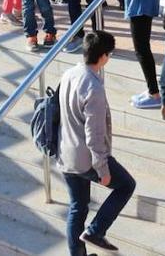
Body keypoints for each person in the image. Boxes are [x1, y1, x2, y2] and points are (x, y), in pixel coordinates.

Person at [58, 30, 136, 256]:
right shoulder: (94, 88)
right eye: (109, 54)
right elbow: (94, 134)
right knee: (126, 185)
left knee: (77, 208)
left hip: (65, 154)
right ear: (102, 56)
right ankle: (96, 230)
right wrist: (102, 169)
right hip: (86, 159)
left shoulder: (69, 74)